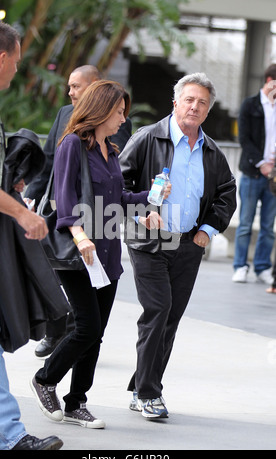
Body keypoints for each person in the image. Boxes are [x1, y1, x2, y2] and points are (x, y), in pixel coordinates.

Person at [30, 80, 156, 429]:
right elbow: (64, 195)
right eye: (118, 112)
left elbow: (115, 199)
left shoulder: (111, 151)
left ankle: (76, 403)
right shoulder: (73, 144)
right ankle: (44, 379)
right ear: (101, 110)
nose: (121, 119)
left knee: (95, 333)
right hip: (78, 250)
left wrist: (147, 200)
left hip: (107, 253)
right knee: (86, 327)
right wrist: (80, 233)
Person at [119, 72, 237, 420]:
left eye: (202, 102)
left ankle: (140, 385)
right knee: (158, 310)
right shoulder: (147, 138)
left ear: (208, 110)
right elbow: (118, 182)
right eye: (189, 99)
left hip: (188, 245)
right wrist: (141, 213)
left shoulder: (212, 151)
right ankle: (148, 393)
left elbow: (227, 194)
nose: (195, 107)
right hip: (149, 241)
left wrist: (208, 230)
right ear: (175, 102)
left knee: (169, 318)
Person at [0, 20, 63, 450]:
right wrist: (20, 212)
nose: (19, 70)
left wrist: (8, 185)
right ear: (3, 58)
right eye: (18, 61)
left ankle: (10, 438)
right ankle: (11, 438)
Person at [26, 65, 132, 357]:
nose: (71, 92)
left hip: (96, 219)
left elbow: (111, 172)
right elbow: (49, 158)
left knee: (87, 312)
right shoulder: (63, 115)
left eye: (77, 86)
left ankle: (73, 335)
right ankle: (61, 330)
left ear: (97, 89)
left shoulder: (116, 121)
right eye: (69, 86)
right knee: (61, 271)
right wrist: (31, 197)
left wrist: (148, 200)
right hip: (62, 209)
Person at [232, 64, 276, 284]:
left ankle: (262, 267)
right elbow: (244, 139)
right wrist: (261, 163)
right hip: (252, 173)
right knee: (246, 223)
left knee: (268, 226)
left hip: (274, 178)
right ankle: (240, 266)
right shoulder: (250, 104)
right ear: (269, 80)